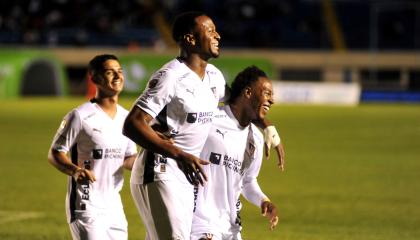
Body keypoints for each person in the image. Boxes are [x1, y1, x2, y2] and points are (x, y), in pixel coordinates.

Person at [123, 11, 283, 239]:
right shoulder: (171, 77)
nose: (217, 35)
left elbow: (242, 103)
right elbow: (131, 125)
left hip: (186, 174)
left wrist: (267, 126)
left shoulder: (214, 78)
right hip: (159, 169)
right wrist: (179, 154)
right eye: (210, 30)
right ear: (190, 39)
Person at [47, 54, 137, 240]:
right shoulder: (80, 116)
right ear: (95, 78)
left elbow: (128, 158)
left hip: (114, 205)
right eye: (109, 72)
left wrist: (149, 161)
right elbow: (55, 153)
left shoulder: (127, 118)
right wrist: (75, 171)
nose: (117, 76)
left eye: (119, 71)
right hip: (86, 203)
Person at [191, 66, 279, 240]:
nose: (272, 100)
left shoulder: (256, 139)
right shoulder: (209, 120)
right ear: (248, 92)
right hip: (199, 221)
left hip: (230, 227)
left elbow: (247, 180)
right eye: (267, 94)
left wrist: (263, 200)